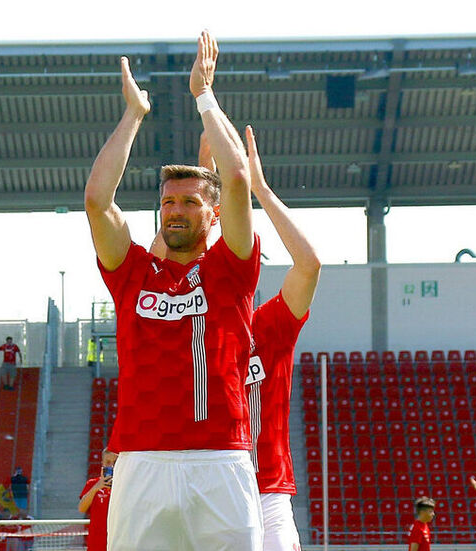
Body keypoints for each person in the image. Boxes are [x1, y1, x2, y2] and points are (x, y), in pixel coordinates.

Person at [85, 32, 262, 551]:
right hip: (142, 463)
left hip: (221, 459)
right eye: (168, 202)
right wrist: (133, 115)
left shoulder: (231, 269)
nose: (176, 211)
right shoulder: (133, 273)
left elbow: (236, 177)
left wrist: (203, 95)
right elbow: (97, 200)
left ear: (213, 213)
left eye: (189, 202)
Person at [153, 128, 320, 551]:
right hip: (206, 482)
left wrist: (259, 190)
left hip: (267, 493)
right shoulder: (189, 320)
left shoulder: (272, 326)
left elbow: (309, 265)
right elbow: (157, 266)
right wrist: (203, 180)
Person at [78, 450, 117, 551]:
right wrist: (96, 487)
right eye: (108, 462)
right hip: (96, 542)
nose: (112, 466)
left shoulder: (124, 485)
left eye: (115, 462)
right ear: (102, 463)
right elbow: (81, 509)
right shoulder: (92, 484)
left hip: (117, 540)